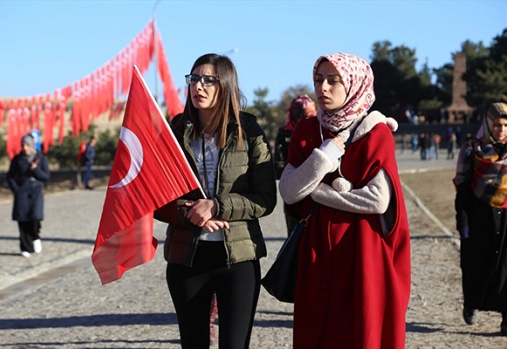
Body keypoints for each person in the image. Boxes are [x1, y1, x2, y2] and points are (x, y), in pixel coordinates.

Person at [279, 52, 411, 348]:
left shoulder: (376, 133)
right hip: (317, 252)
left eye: (333, 81)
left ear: (353, 83)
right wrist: (323, 158)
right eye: (318, 80)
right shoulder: (306, 130)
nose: (323, 88)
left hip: (363, 252)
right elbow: (288, 191)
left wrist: (318, 191)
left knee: (360, 332)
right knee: (318, 332)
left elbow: (377, 200)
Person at [153, 53, 277, 348]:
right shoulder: (175, 131)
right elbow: (157, 198)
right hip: (187, 258)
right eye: (194, 79)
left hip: (238, 258)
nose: (199, 86)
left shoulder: (248, 131)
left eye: (209, 80)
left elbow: (265, 199)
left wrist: (216, 205)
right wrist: (190, 212)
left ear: (227, 86)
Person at [453, 102, 507, 336]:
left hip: (506, 215)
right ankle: (472, 303)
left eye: (505, 125)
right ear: (487, 124)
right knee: (475, 264)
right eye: (496, 124)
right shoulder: (470, 149)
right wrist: (463, 221)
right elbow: (463, 187)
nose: (501, 130)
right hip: (478, 215)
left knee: (506, 266)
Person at [274, 94, 316, 235]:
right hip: (292, 186)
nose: (303, 119)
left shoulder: (318, 130)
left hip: (314, 187)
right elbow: (278, 162)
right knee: (294, 234)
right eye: (300, 115)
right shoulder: (284, 132)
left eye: (309, 115)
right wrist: (289, 173)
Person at [6, 133, 51, 257]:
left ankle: (35, 236)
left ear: (32, 145)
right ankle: (25, 247)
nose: (25, 147)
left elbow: (46, 177)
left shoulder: (41, 159)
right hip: (22, 193)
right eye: (23, 145)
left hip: (36, 193)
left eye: (27, 145)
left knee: (35, 218)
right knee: (23, 220)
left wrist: (35, 169)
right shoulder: (17, 159)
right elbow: (10, 176)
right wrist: (16, 189)